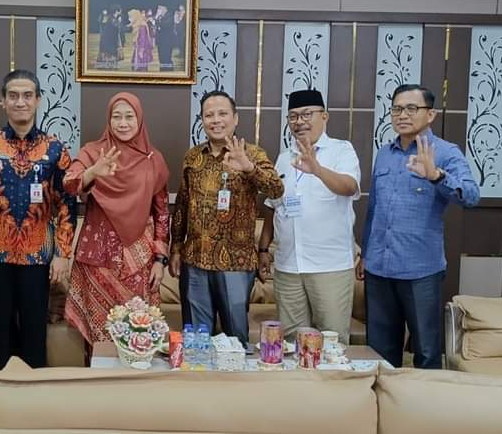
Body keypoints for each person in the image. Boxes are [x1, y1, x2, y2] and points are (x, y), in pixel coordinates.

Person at [0, 69, 77, 370]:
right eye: (13, 96)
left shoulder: (54, 148)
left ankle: (33, 390)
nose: (20, 102)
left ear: (38, 100)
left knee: (34, 329)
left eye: (27, 95)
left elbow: (66, 204)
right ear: (3, 101)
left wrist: (63, 253)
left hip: (38, 254)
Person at [361, 84, 479, 369]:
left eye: (412, 108)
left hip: (420, 270)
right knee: (379, 352)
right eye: (397, 109)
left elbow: (471, 196)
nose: (403, 115)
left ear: (431, 114)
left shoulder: (446, 152)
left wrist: (436, 175)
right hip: (379, 268)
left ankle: (425, 398)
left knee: (426, 350)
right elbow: (374, 208)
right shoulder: (384, 154)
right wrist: (365, 253)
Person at [170, 90, 284, 347]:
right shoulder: (192, 157)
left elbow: (276, 189)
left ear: (235, 118)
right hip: (195, 261)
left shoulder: (252, 154)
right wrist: (176, 248)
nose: (216, 120)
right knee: (196, 341)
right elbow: (182, 205)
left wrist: (249, 168)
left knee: (235, 341)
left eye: (222, 114)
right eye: (209, 115)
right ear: (202, 120)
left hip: (236, 263)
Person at [64, 92, 170, 349]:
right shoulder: (93, 152)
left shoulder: (153, 159)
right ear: (108, 120)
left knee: (137, 332)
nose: (123, 123)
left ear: (139, 119)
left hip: (139, 260)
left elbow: (162, 213)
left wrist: (160, 260)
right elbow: (69, 183)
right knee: (100, 335)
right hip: (97, 259)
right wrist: (93, 171)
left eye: (129, 116)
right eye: (117, 117)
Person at [257, 90, 361, 344]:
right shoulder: (284, 158)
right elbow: (273, 206)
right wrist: (263, 249)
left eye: (306, 114)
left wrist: (318, 170)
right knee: (291, 342)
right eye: (293, 116)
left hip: (329, 266)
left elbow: (349, 187)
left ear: (324, 116)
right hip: (288, 267)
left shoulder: (341, 150)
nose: (299, 121)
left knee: (331, 341)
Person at [154, 5, 175, 70]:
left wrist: (157, 19)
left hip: (167, 41)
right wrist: (157, 18)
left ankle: (169, 71)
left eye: (159, 8)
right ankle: (163, 70)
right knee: (161, 57)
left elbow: (164, 25)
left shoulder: (169, 16)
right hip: (161, 41)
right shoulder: (161, 16)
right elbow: (157, 25)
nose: (158, 10)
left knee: (166, 57)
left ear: (164, 9)